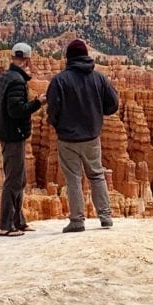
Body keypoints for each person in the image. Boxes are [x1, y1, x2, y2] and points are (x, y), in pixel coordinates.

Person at [46, 39, 119, 233]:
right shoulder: (99, 78)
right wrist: (97, 113)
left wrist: (57, 125)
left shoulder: (59, 80)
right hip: (91, 137)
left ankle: (77, 221)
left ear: (69, 58)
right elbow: (113, 104)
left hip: (67, 139)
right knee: (96, 175)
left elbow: (53, 108)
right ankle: (105, 217)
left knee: (73, 180)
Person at [0, 42, 43, 237]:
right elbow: (16, 110)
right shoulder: (16, 81)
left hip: (8, 133)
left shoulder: (6, 76)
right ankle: (6, 225)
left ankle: (19, 221)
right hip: (13, 134)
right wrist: (38, 102)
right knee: (13, 180)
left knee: (19, 179)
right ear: (28, 59)